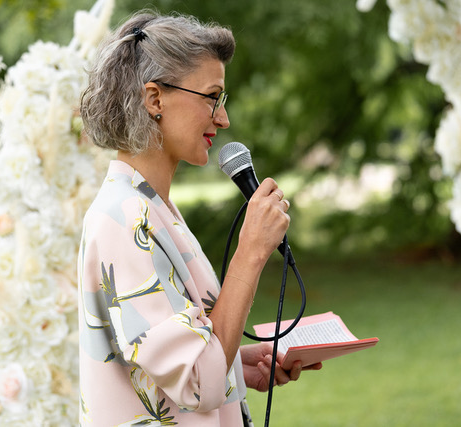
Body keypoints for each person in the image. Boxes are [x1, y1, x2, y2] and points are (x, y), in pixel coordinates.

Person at [77, 11, 321, 426]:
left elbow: (169, 363)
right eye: (212, 97)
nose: (223, 119)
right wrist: (250, 252)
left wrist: (236, 367)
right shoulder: (124, 221)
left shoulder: (151, 208)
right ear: (155, 99)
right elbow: (197, 382)